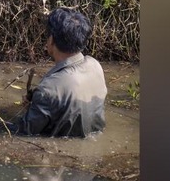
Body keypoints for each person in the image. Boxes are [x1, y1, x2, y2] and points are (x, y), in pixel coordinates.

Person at [15, 7, 107, 137]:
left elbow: (24, 132)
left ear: (51, 40)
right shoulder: (95, 65)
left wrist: (29, 109)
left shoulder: (48, 89)